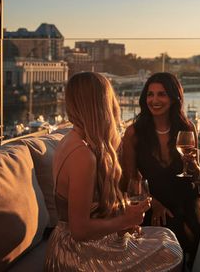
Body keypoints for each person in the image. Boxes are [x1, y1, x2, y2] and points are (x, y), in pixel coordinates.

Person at [45, 72, 182, 271]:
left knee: (165, 237)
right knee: (169, 251)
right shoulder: (82, 156)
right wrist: (124, 221)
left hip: (70, 242)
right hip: (76, 253)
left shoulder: (72, 139)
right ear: (101, 104)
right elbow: (80, 230)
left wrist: (121, 220)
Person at [121, 72, 200, 267]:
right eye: (150, 94)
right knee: (172, 241)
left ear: (174, 98)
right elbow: (130, 179)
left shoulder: (187, 128)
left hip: (186, 196)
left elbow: (196, 173)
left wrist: (191, 163)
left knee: (196, 239)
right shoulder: (134, 133)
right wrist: (153, 203)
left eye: (162, 94)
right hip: (154, 200)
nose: (155, 100)